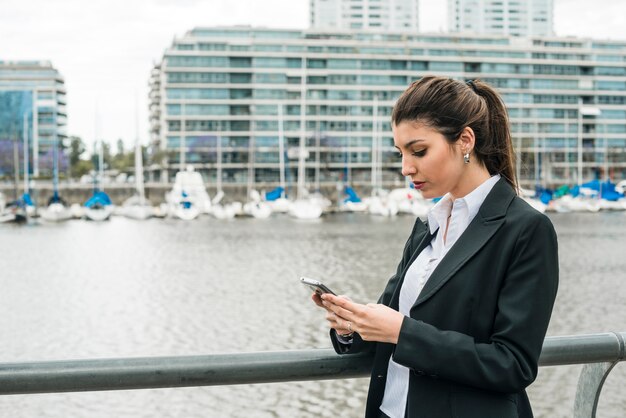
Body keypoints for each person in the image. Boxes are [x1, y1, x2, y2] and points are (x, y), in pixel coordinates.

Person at [312, 76, 559, 418]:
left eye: (419, 151)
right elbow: (392, 327)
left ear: (465, 140)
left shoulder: (526, 230)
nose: (405, 168)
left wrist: (401, 331)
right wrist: (352, 325)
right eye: (400, 153)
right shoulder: (428, 224)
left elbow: (512, 364)